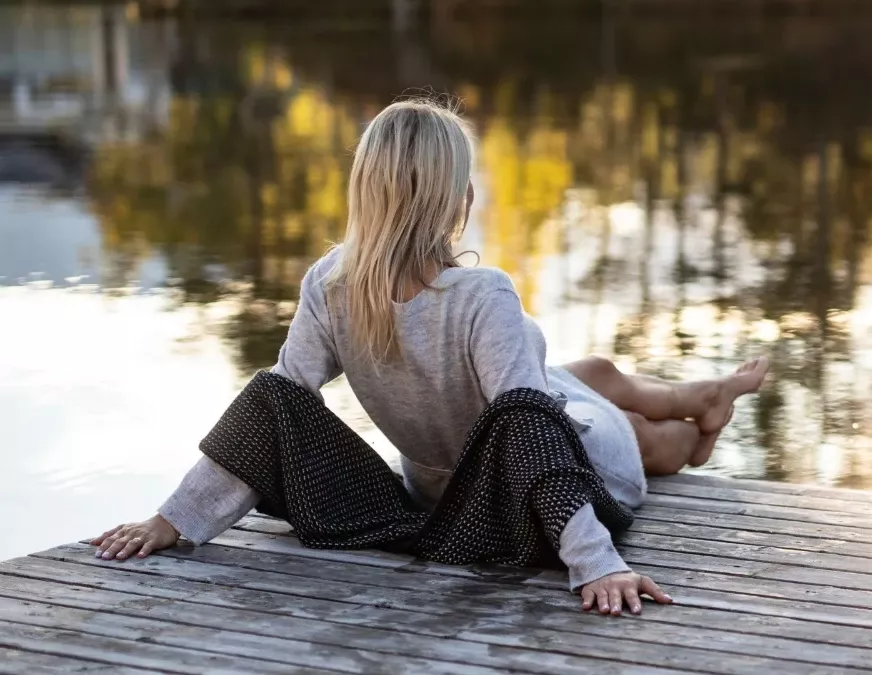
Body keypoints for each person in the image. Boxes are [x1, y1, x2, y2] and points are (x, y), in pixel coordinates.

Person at [90, 100, 769, 617]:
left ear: (364, 193)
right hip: (556, 486)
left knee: (585, 374)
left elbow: (275, 404)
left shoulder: (331, 282)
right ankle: (691, 423)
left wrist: (172, 519)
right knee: (637, 438)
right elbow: (530, 431)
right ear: (460, 202)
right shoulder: (482, 295)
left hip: (450, 489)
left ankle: (696, 394)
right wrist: (596, 562)